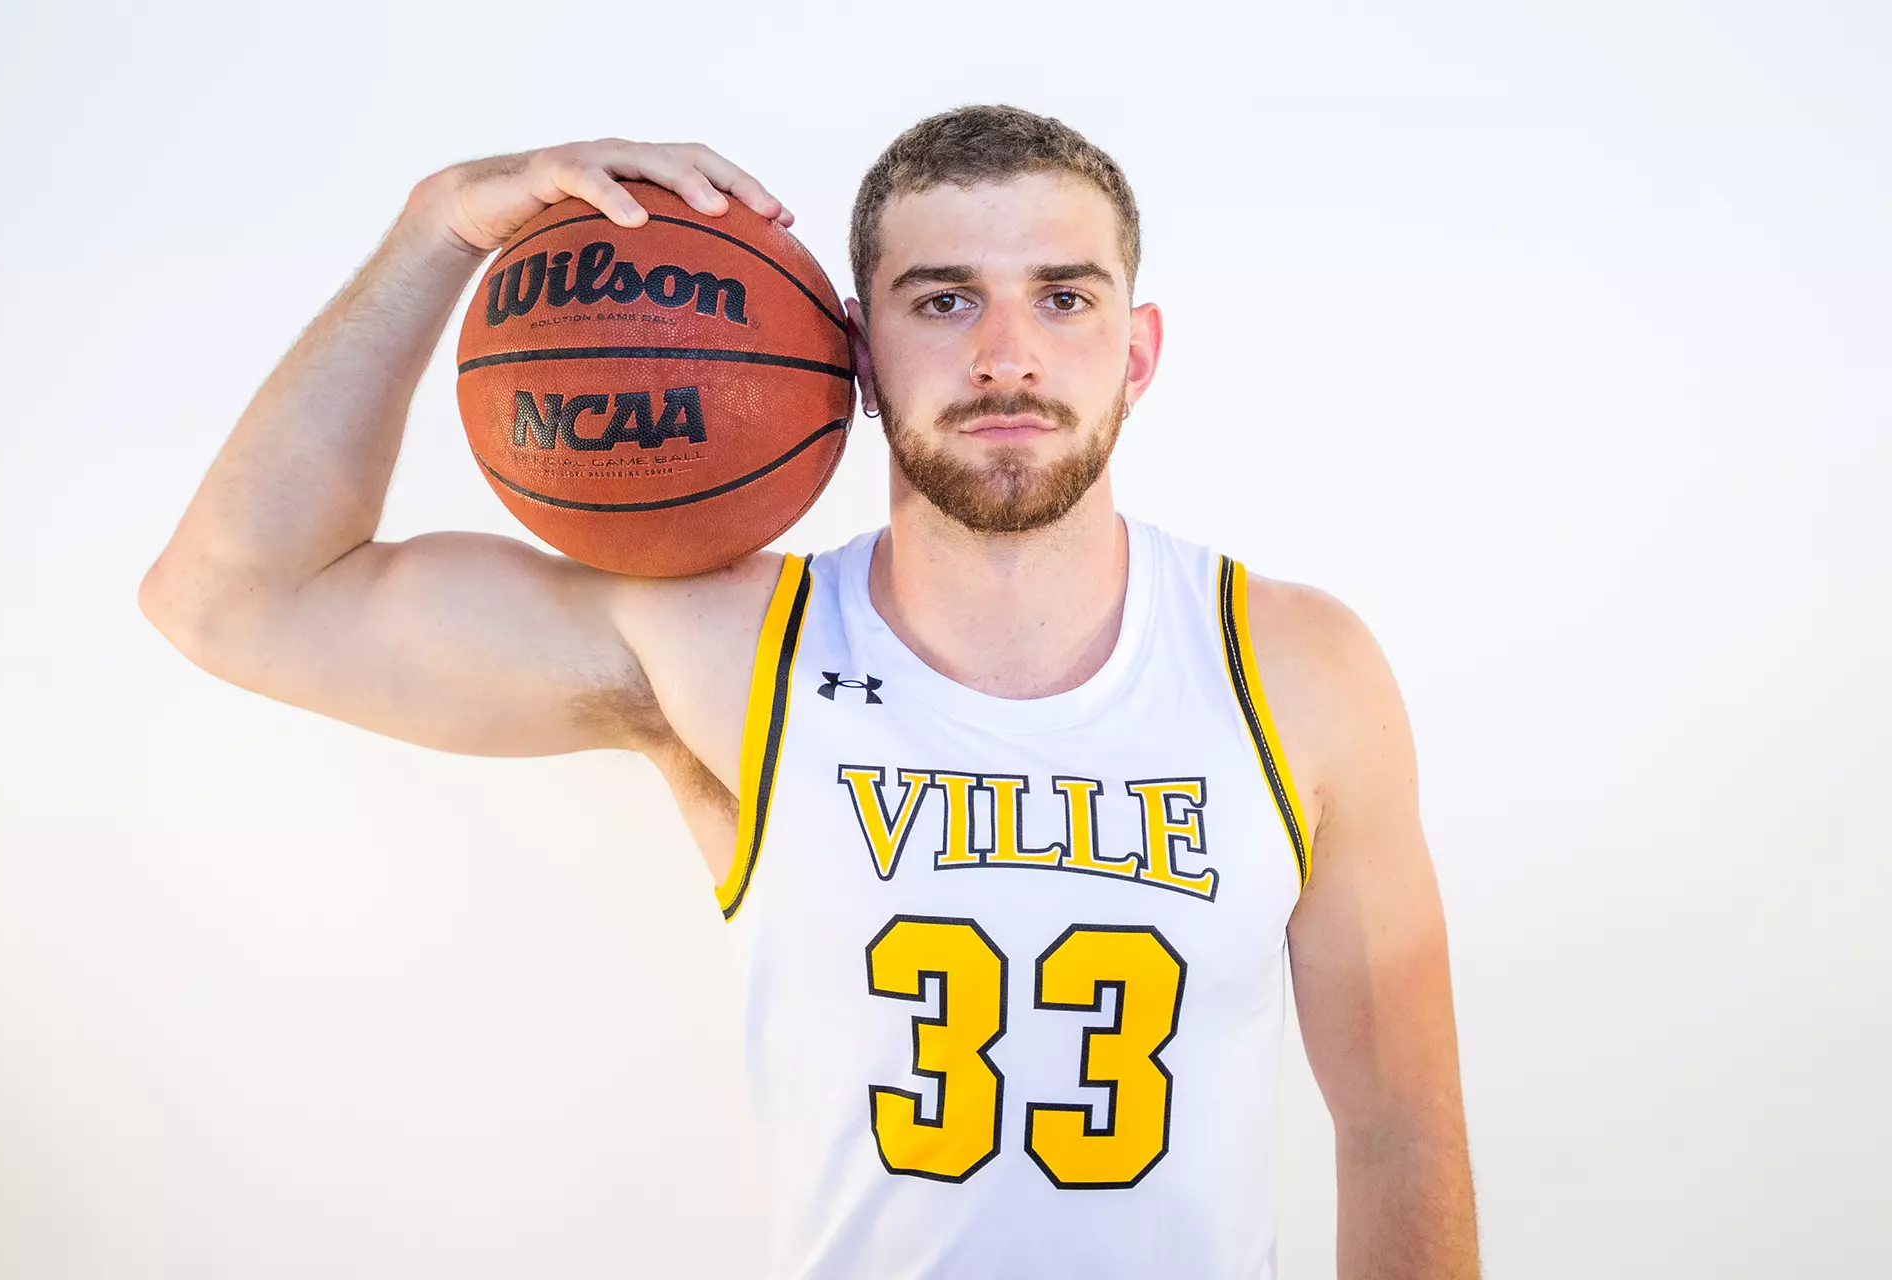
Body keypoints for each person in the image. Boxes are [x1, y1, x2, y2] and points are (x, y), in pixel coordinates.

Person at [141, 105, 1478, 1279]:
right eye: (942, 301)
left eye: (1065, 297)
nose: (1007, 354)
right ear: (857, 354)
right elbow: (233, 599)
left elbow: (1398, 1132)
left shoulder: (1297, 670)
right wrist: (438, 226)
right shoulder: (729, 649)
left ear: (1138, 350)